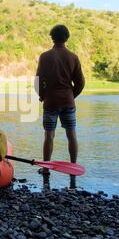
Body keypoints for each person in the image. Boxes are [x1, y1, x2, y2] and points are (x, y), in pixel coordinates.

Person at [36, 25, 85, 189]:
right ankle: (73, 167)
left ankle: (45, 168)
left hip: (50, 102)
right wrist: (71, 95)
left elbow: (38, 81)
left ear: (52, 37)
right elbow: (81, 83)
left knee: (49, 136)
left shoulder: (45, 56)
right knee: (71, 134)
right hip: (68, 102)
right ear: (67, 37)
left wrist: (42, 95)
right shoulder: (73, 57)